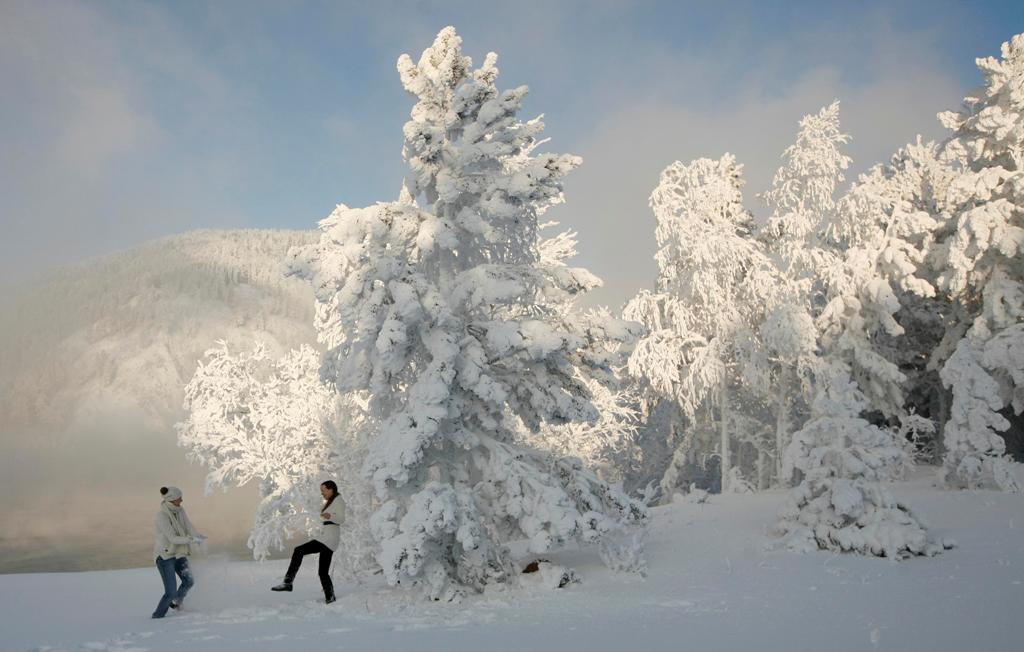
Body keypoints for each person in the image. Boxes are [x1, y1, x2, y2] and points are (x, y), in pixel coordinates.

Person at [271, 480, 345, 604]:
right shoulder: (331, 502)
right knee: (323, 572)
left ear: (331, 489)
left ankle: (288, 582)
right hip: (327, 538)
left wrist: (330, 516)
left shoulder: (339, 501)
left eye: (323, 490)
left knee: (299, 550)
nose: (322, 493)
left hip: (328, 538)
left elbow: (341, 519)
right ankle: (330, 598)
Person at [152, 486, 205, 619]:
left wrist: (197, 536)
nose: (181, 500)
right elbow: (172, 538)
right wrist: (191, 539)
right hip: (165, 556)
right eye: (179, 498)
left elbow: (188, 526)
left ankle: (176, 602)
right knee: (170, 592)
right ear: (172, 499)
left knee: (189, 581)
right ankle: (157, 616)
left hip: (179, 553)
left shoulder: (180, 510)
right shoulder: (161, 516)